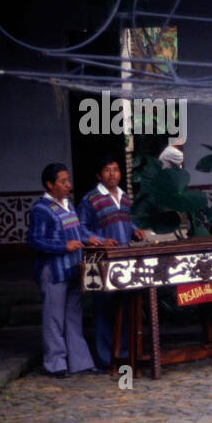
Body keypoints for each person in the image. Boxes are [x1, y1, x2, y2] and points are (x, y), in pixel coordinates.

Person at [28, 163, 107, 377]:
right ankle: (55, 364)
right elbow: (35, 241)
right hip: (53, 271)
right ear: (49, 184)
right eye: (63, 181)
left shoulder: (68, 205)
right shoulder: (40, 209)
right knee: (54, 318)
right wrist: (63, 246)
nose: (68, 185)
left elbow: (78, 229)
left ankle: (80, 362)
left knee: (74, 316)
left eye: (68, 180)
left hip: (73, 269)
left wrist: (91, 238)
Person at [77, 155, 147, 370]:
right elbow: (80, 228)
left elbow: (125, 221)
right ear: (99, 175)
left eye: (116, 169)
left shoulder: (124, 197)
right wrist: (99, 240)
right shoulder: (90, 199)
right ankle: (105, 359)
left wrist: (134, 230)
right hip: (101, 260)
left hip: (124, 260)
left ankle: (124, 354)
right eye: (107, 170)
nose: (113, 174)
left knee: (125, 308)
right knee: (104, 309)